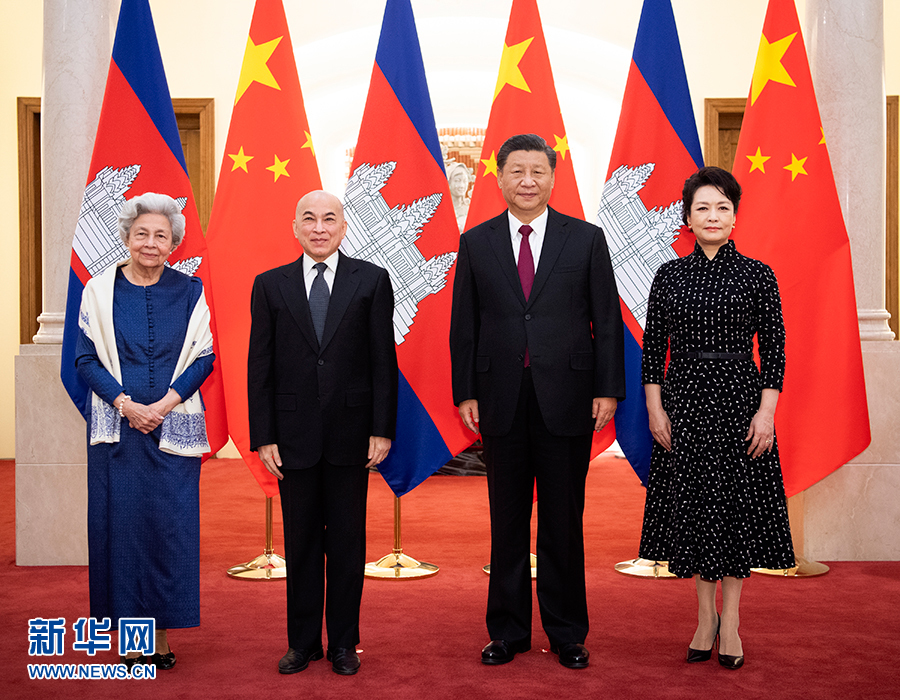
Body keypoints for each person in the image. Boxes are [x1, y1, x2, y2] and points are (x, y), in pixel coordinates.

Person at [450, 133, 625, 669]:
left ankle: (567, 631)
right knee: (506, 520)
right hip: (499, 398)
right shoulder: (476, 242)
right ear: (499, 177)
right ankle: (507, 632)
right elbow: (464, 325)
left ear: (552, 176)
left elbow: (607, 320)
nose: (527, 181)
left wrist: (607, 388)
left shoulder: (586, 239)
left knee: (563, 519)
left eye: (538, 171)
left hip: (567, 397)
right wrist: (466, 391)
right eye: (517, 171)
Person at [638, 166, 795, 670]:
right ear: (687, 217)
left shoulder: (758, 274)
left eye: (722, 207)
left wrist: (766, 414)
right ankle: (704, 618)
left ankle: (732, 622)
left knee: (733, 514)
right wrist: (655, 409)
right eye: (702, 207)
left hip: (740, 404)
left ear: (734, 217)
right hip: (683, 403)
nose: (712, 216)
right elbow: (652, 351)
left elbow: (774, 351)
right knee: (696, 512)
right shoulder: (669, 275)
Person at [248, 190, 398, 677]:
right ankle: (303, 642)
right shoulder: (269, 285)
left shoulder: (371, 280)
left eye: (329, 219)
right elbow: (260, 365)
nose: (319, 228)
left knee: (348, 545)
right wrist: (264, 434)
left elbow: (383, 360)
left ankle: (344, 643)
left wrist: (381, 428)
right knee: (302, 543)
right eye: (309, 219)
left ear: (343, 227)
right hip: (292, 438)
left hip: (352, 435)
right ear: (294, 227)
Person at [75, 192, 216, 670]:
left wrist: (163, 405)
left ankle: (161, 634)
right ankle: (134, 638)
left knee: (170, 531)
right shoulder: (98, 290)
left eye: (161, 235)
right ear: (127, 238)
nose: (151, 243)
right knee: (123, 532)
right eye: (142, 234)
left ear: (174, 243)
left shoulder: (191, 290)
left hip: (173, 427)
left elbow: (205, 358)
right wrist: (127, 405)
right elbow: (85, 360)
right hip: (119, 430)